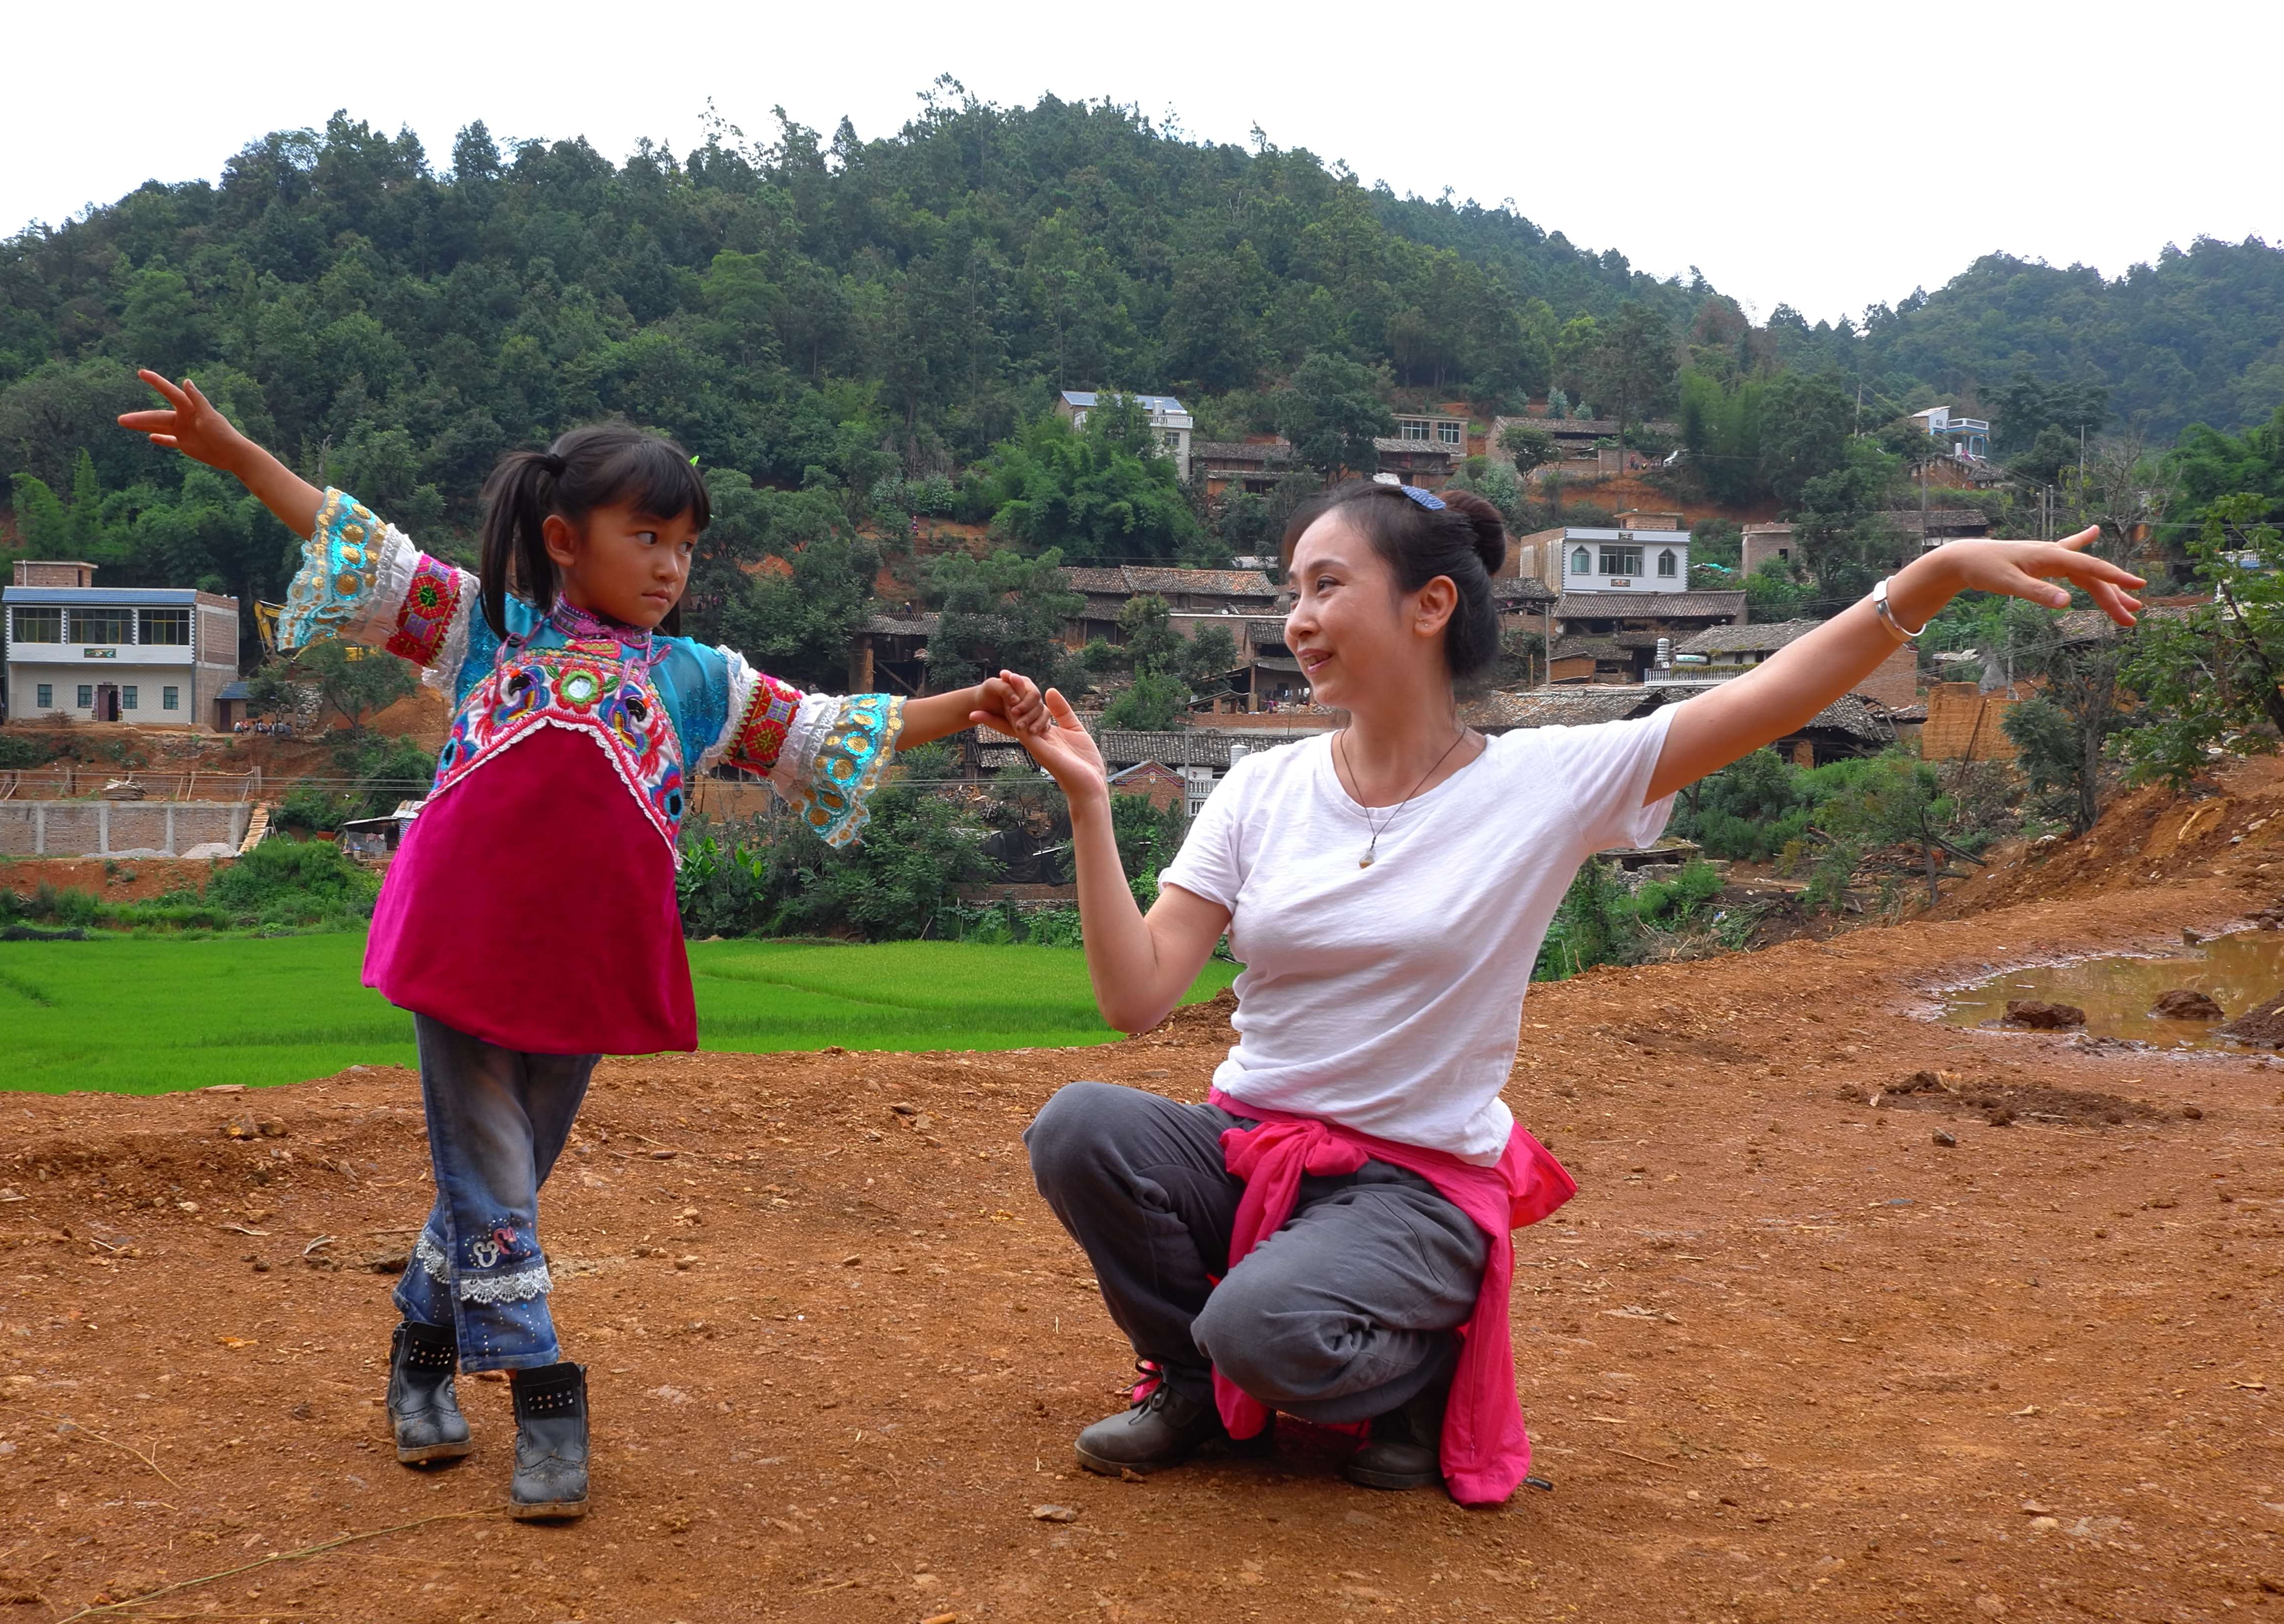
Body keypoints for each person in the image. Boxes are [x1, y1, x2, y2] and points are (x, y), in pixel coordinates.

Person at [1008, 480, 2141, 1503]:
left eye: (1325, 585)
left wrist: (1933, 573)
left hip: (1409, 1183)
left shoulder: (1546, 782)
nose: (1295, 619)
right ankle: (1197, 1388)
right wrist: (1090, 804)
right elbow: (1138, 997)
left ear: (1429, 603)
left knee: (1267, 1327)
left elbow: (1771, 694)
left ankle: (1417, 1366)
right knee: (1081, 1128)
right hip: (1248, 1143)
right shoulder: (1262, 788)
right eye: (1289, 591)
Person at [118, 370, 1044, 1520]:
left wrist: (973, 706)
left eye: (686, 546)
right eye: (645, 535)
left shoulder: (700, 683)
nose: (668, 565)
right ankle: (544, 1392)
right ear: (564, 539)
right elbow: (358, 545)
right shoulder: (482, 630)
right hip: (461, 940)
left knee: (500, 1183)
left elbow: (828, 728)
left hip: (590, 959)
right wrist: (244, 454)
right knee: (495, 1179)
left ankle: (420, 1351)